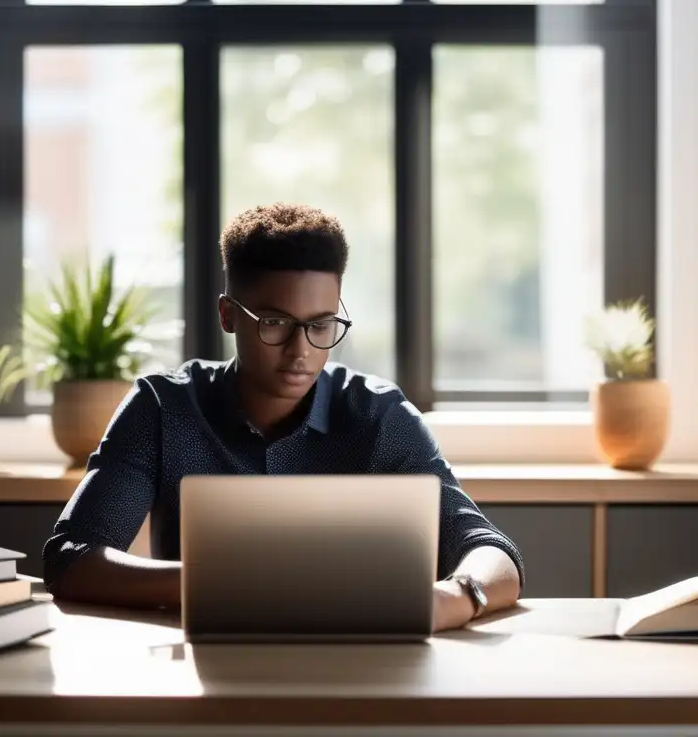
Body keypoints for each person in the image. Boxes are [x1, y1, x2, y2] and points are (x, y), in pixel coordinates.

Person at [42, 203, 525, 632]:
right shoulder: (162, 409)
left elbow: (488, 548)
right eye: (274, 323)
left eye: (320, 325)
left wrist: (458, 595)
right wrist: (221, 586)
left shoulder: (379, 415)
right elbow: (72, 559)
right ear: (229, 315)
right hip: (204, 670)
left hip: (364, 672)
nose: (300, 351)